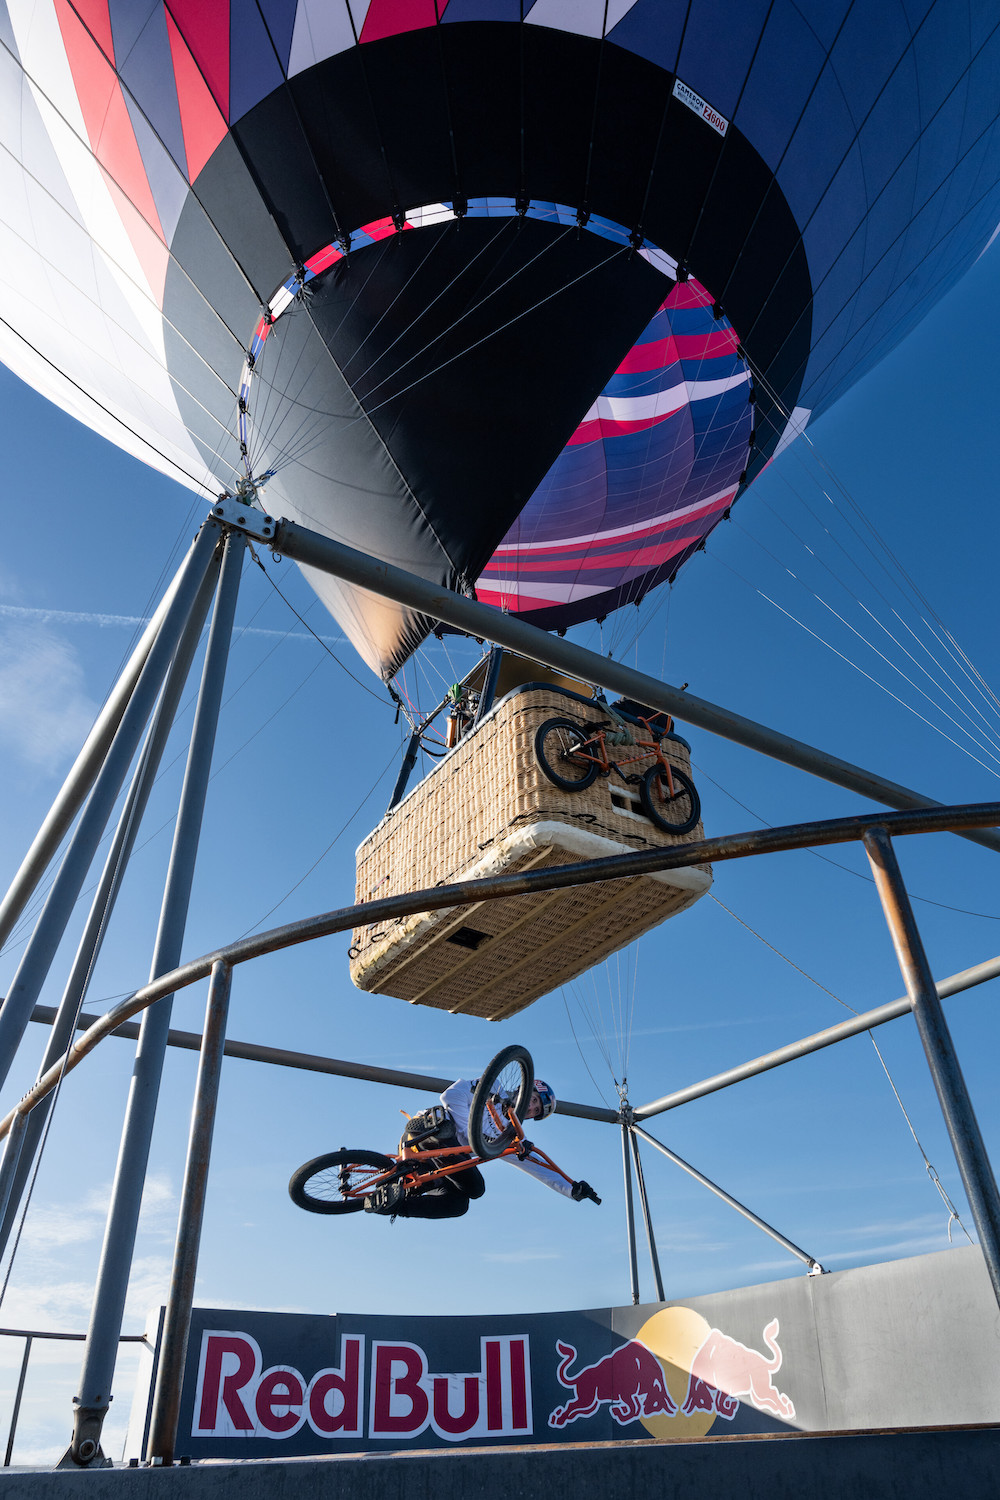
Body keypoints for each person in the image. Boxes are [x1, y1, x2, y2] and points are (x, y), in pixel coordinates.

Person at [364, 1075, 600, 1218]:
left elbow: (538, 1167)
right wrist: (471, 1130)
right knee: (449, 1135)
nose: (531, 1108)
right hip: (427, 1133)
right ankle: (432, 1135)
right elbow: (451, 1094)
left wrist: (571, 1189)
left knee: (460, 1202)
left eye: (536, 1111)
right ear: (526, 1090)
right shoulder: (493, 1087)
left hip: (438, 1162)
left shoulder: (509, 1138)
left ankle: (394, 1206)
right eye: (535, 1100)